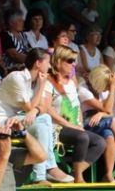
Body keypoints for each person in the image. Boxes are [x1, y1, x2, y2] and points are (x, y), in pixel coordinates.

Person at [0, 48, 72, 184]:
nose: (50, 66)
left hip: (14, 121)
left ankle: (42, 174)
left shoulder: (37, 81)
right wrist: (40, 91)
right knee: (44, 120)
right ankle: (48, 169)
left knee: (45, 120)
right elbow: (29, 108)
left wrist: (35, 110)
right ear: (38, 63)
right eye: (48, 62)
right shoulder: (17, 77)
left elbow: (42, 108)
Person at [44, 46, 108, 183]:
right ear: (59, 61)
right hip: (56, 127)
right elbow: (47, 109)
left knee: (100, 142)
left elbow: (76, 107)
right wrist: (70, 125)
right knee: (82, 137)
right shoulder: (48, 81)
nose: (74, 64)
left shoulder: (71, 83)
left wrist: (79, 124)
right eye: (70, 60)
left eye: (74, 61)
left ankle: (76, 173)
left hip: (72, 127)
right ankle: (79, 178)